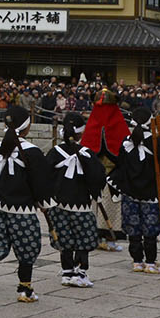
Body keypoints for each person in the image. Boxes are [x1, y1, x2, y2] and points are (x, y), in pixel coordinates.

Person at [0, 104, 52, 303]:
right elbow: (41, 183)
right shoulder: (33, 152)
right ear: (27, 127)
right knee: (27, 248)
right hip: (23, 209)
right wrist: (44, 203)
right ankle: (24, 289)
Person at [107, 106, 160, 274]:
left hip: (130, 191)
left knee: (134, 227)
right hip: (150, 191)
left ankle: (137, 261)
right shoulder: (158, 142)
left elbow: (120, 165)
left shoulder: (126, 142)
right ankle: (150, 262)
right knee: (150, 228)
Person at [46, 112, 106, 288]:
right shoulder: (87, 153)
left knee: (64, 237)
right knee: (83, 238)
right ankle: (80, 271)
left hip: (59, 202)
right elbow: (98, 177)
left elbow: (45, 175)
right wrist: (96, 193)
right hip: (80, 203)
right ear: (81, 133)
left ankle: (67, 270)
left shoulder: (54, 152)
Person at [82, 87, 130, 251]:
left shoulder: (113, 122)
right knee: (97, 205)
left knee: (110, 205)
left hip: (112, 175)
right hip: (99, 174)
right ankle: (99, 237)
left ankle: (108, 237)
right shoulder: (101, 122)